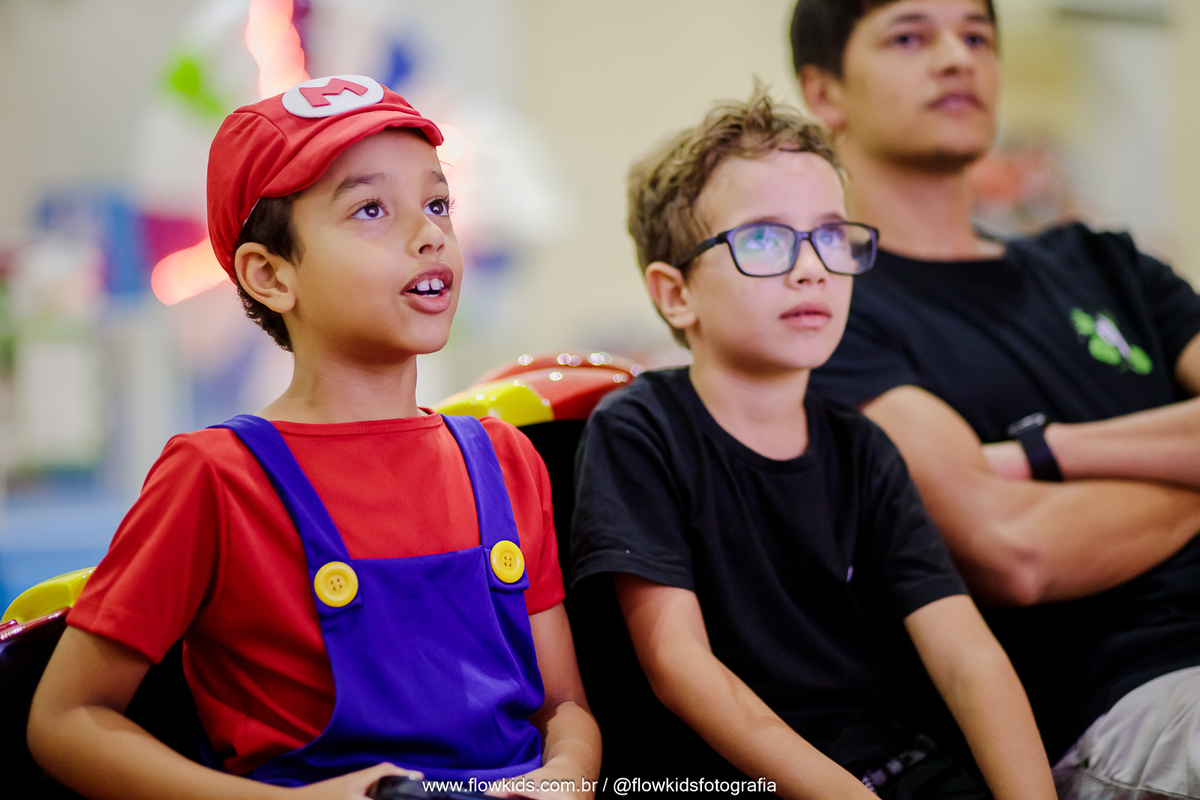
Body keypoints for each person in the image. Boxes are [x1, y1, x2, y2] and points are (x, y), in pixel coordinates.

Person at [27, 75, 600, 800]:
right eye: (370, 209)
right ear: (269, 274)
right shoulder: (216, 477)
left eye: (437, 204)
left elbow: (564, 708)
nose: (429, 234)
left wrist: (566, 778)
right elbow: (67, 718)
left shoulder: (505, 460)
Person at [569, 90, 1055, 800]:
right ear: (676, 294)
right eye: (765, 240)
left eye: (830, 236)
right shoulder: (640, 431)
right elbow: (680, 669)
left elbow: (965, 657)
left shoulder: (864, 450)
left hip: (893, 766)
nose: (812, 268)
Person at [792, 1, 1200, 797]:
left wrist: (1049, 452)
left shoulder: (1105, 262)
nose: (958, 57)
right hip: (1125, 701)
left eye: (977, 36)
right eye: (910, 36)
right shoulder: (830, 309)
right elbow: (1016, 551)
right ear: (824, 90)